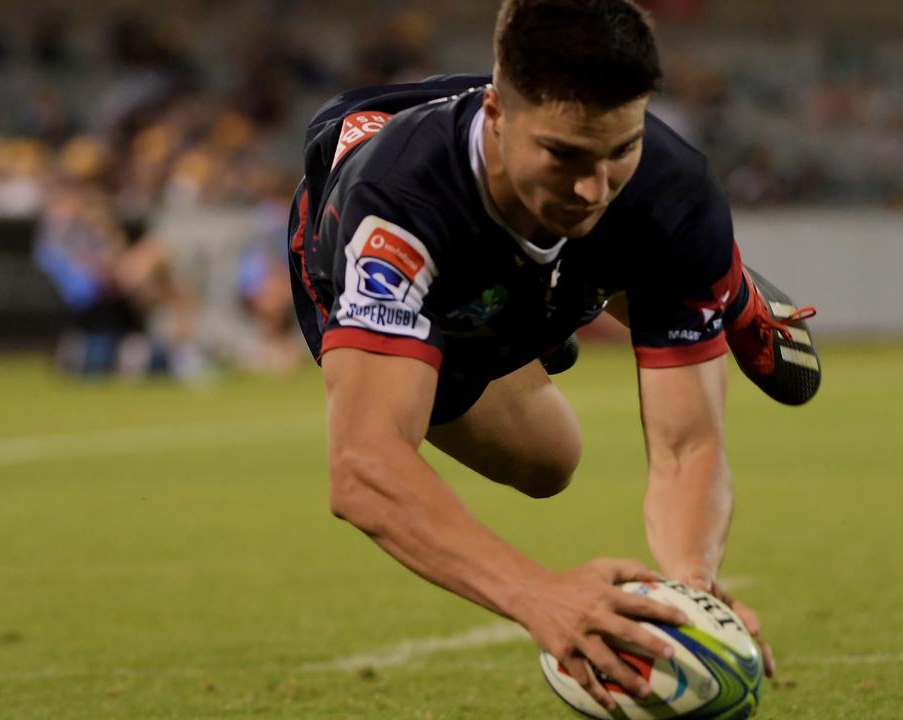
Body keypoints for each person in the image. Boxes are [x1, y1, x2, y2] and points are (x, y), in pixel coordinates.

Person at [288, 0, 818, 711]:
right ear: (498, 115)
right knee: (547, 462)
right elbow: (363, 467)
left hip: (543, 242)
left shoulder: (670, 185)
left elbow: (688, 442)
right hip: (396, 257)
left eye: (619, 150)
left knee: (623, 235)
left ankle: (712, 288)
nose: (594, 185)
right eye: (566, 155)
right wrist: (541, 597)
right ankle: (658, 291)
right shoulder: (396, 209)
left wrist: (688, 595)